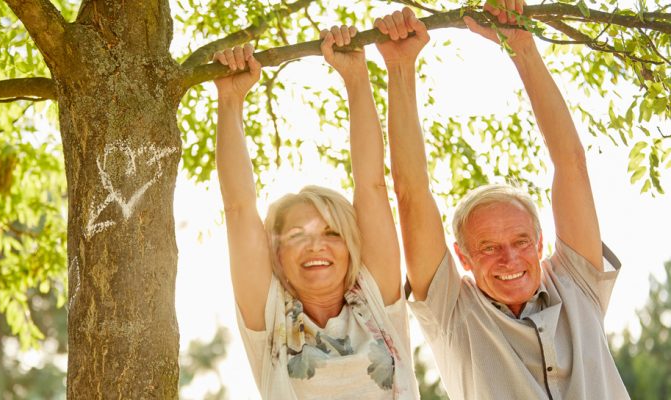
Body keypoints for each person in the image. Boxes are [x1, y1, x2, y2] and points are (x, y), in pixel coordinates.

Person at [374, 3, 630, 399]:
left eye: (521, 242)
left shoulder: (576, 284)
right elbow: (410, 194)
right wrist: (400, 68)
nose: (509, 260)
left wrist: (522, 48)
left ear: (540, 244)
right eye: (489, 248)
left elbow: (572, 164)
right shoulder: (452, 312)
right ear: (463, 258)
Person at [212, 24, 419, 399]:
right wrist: (230, 100)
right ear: (276, 252)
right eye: (297, 236)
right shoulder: (271, 317)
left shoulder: (375, 302)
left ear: (351, 247)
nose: (315, 246)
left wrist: (356, 76)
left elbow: (372, 185)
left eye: (331, 233)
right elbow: (239, 209)